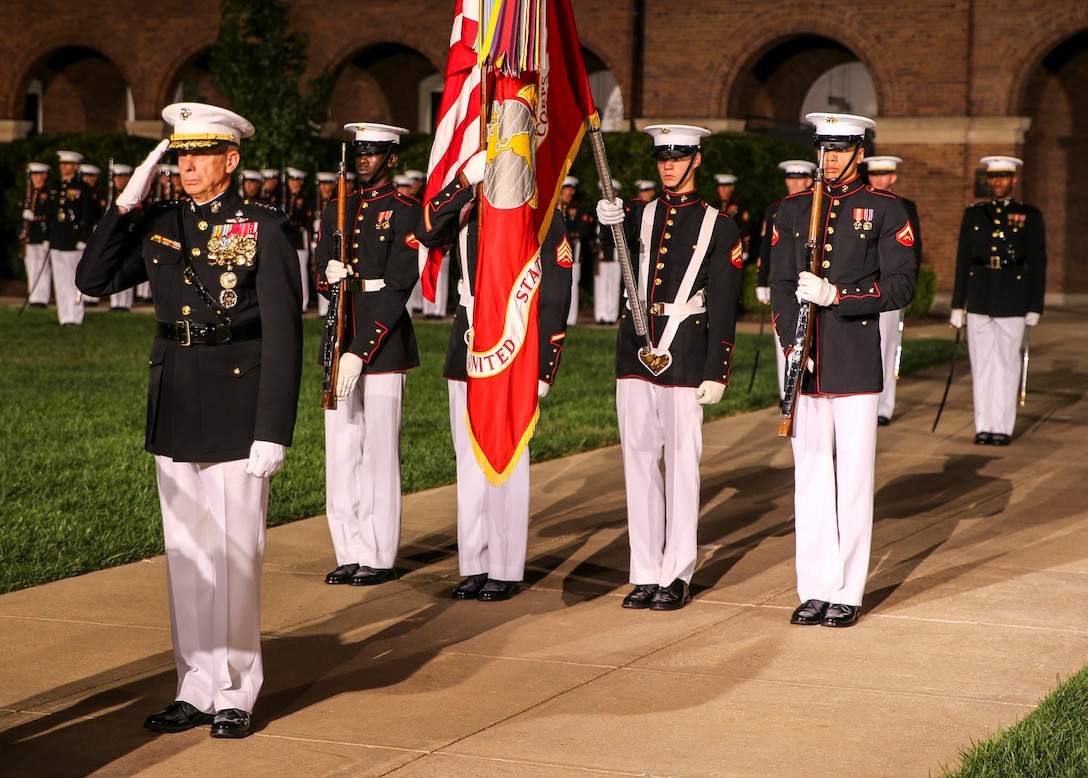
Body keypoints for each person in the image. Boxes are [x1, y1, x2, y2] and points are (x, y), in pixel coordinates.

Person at [75, 102, 304, 738]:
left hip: (237, 400)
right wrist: (125, 204)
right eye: (179, 154)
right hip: (175, 395)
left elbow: (285, 335)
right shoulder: (160, 221)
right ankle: (195, 685)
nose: (187, 165)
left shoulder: (265, 227)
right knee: (188, 558)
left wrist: (273, 429)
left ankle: (235, 692)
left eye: (200, 154)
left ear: (231, 160)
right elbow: (93, 278)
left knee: (234, 556)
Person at [769, 113, 917, 628]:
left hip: (854, 361)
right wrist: (794, 341)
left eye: (839, 149)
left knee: (852, 478)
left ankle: (847, 590)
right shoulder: (790, 211)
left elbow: (900, 286)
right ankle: (813, 586)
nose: (828, 159)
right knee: (810, 477)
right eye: (823, 148)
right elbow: (780, 281)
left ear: (859, 152)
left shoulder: (884, 210)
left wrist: (839, 296)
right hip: (806, 364)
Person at [596, 124, 743, 611]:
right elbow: (617, 253)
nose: (669, 166)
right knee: (638, 463)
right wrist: (606, 221)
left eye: (678, 158)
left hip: (685, 353)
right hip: (634, 348)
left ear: (696, 160)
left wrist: (717, 369)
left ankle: (676, 573)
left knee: (682, 466)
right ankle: (644, 571)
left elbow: (724, 301)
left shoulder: (719, 225)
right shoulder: (635, 215)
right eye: (663, 159)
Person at [418, 152, 572, 602]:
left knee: (507, 458)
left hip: (514, 347)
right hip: (465, 343)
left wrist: (546, 366)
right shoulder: (467, 210)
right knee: (468, 461)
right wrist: (465, 182)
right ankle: (474, 563)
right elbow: (426, 230)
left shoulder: (539, 216)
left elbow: (555, 294)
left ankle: (505, 565)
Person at [315, 123, 421, 588]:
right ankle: (349, 549)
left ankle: (378, 554)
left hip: (383, 342)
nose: (364, 160)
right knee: (340, 451)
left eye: (373, 153)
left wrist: (361, 351)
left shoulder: (404, 210)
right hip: (340, 333)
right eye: (359, 152)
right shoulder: (337, 207)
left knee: (378, 453)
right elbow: (320, 271)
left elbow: (399, 285)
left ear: (391, 158)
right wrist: (327, 275)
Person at [950, 156, 1046, 446]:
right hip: (979, 293)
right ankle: (984, 426)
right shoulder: (975, 214)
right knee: (981, 365)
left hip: (1012, 295)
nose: (998, 183)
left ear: (1013, 179)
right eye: (993, 178)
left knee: (1006, 364)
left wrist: (1034, 305)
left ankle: (1002, 427)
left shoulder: (1029, 215)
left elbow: (1038, 261)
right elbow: (962, 260)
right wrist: (957, 303)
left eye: (1003, 177)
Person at [864, 155, 924, 426]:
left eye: (883, 174)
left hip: (888, 287)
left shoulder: (904, 206)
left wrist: (907, 286)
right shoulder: (860, 201)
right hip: (861, 285)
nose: (878, 179)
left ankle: (883, 406)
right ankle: (863, 401)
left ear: (893, 177)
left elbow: (913, 248)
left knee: (887, 346)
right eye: (874, 174)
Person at [755, 159, 816, 400]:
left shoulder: (815, 206)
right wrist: (761, 280)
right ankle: (786, 393)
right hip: (782, 282)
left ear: (808, 180)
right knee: (785, 336)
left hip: (808, 282)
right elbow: (766, 248)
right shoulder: (775, 209)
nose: (794, 183)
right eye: (790, 178)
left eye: (799, 178)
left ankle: (807, 389)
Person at [38, 150, 95, 325]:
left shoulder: (82, 188)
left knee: (73, 280)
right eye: (62, 164)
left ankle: (75, 316)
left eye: (68, 164)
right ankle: (64, 316)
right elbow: (49, 214)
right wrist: (47, 237)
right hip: (57, 238)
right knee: (60, 280)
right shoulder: (54, 186)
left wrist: (84, 238)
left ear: (75, 166)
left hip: (73, 238)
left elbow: (88, 215)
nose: (64, 167)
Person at [20, 161, 51, 308]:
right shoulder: (27, 194)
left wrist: (47, 237)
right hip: (30, 236)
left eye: (39, 174)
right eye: (34, 175)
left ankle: (42, 298)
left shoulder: (49, 193)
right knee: (31, 266)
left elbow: (49, 216)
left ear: (45, 175)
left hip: (41, 234)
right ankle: (33, 297)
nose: (36, 178)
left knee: (42, 268)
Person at [284, 167, 315, 312]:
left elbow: (307, 221)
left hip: (299, 238)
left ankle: (303, 303)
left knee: (301, 272)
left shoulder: (306, 199)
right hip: (286, 238)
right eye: (291, 180)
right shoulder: (284, 197)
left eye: (296, 180)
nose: (293, 183)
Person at [593, 177, 623, 325]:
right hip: (603, 254)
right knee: (602, 286)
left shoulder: (620, 208)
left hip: (616, 254)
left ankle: (611, 315)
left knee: (613, 285)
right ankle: (601, 315)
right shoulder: (597, 209)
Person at [107, 163, 136, 311]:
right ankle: (115, 302)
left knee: (125, 268)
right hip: (113, 235)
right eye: (116, 177)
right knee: (113, 267)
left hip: (126, 234)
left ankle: (125, 303)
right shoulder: (111, 196)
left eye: (121, 176)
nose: (118, 180)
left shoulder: (132, 195)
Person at [712, 173, 751, 260]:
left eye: (725, 187)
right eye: (720, 187)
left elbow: (744, 228)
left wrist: (744, 249)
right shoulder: (713, 205)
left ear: (732, 188)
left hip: (734, 247)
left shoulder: (738, 205)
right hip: (716, 248)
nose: (722, 190)